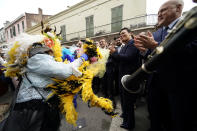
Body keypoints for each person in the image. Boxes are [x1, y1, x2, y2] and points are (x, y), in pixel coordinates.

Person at [2, 34, 88, 131]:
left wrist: (80, 60)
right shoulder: (38, 58)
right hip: (34, 107)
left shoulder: (36, 59)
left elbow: (64, 68)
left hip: (38, 104)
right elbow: (65, 71)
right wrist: (82, 58)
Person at [134, 0, 197, 131]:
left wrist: (155, 46)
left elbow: (192, 53)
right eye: (158, 12)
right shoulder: (156, 33)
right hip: (155, 86)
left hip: (179, 88)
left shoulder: (190, 25)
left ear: (178, 9)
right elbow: (151, 56)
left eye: (163, 10)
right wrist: (144, 51)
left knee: (177, 122)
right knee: (154, 119)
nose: (159, 14)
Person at [109, 27, 141, 130]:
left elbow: (127, 58)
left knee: (128, 101)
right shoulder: (125, 45)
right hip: (122, 76)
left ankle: (129, 123)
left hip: (129, 77)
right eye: (120, 35)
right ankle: (125, 115)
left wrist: (114, 53)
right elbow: (119, 59)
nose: (121, 36)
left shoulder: (133, 44)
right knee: (123, 99)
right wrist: (112, 54)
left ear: (130, 33)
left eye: (123, 33)